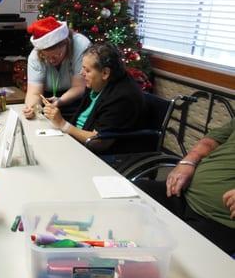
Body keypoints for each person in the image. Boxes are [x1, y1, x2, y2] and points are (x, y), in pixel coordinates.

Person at [135, 118, 235, 255]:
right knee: (132, 195)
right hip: (183, 193)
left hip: (220, 221)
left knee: (170, 257)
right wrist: (188, 161)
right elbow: (210, 141)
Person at [42, 43, 145, 149]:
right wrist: (59, 103)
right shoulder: (97, 83)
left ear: (105, 73)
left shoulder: (122, 97)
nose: (82, 73)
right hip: (75, 141)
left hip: (98, 155)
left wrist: (63, 124)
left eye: (87, 70)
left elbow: (98, 141)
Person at [23, 16, 91, 119]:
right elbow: (35, 93)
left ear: (66, 44)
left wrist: (59, 101)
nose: (51, 61)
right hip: (49, 100)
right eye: (46, 57)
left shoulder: (81, 46)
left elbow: (79, 87)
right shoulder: (35, 55)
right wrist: (31, 107)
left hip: (77, 100)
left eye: (57, 55)